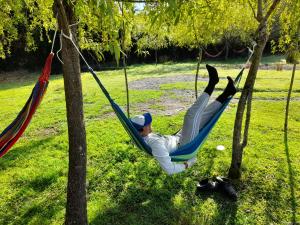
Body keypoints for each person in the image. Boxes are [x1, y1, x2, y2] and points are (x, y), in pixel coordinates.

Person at [130, 65, 236, 175]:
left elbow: (135, 135)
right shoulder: (155, 144)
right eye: (148, 124)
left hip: (179, 137)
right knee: (191, 115)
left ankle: (228, 92)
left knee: (203, 115)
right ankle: (212, 83)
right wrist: (188, 163)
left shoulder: (141, 136)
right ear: (142, 129)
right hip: (185, 146)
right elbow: (169, 169)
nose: (150, 124)